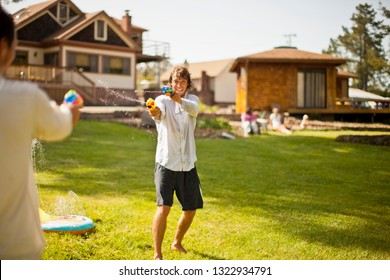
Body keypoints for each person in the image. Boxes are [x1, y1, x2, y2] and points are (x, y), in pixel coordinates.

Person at [0, 7, 82, 260]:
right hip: (14, 247)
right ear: (4, 47)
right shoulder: (23, 97)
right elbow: (60, 126)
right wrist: (71, 106)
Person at [148, 66, 203, 260]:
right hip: (166, 162)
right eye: (175, 81)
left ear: (187, 84)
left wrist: (178, 98)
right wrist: (153, 111)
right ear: (170, 83)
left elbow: (193, 109)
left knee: (190, 210)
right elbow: (157, 113)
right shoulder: (162, 100)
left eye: (182, 81)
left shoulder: (192, 101)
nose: (178, 85)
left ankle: (177, 242)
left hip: (187, 163)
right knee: (164, 208)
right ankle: (157, 254)